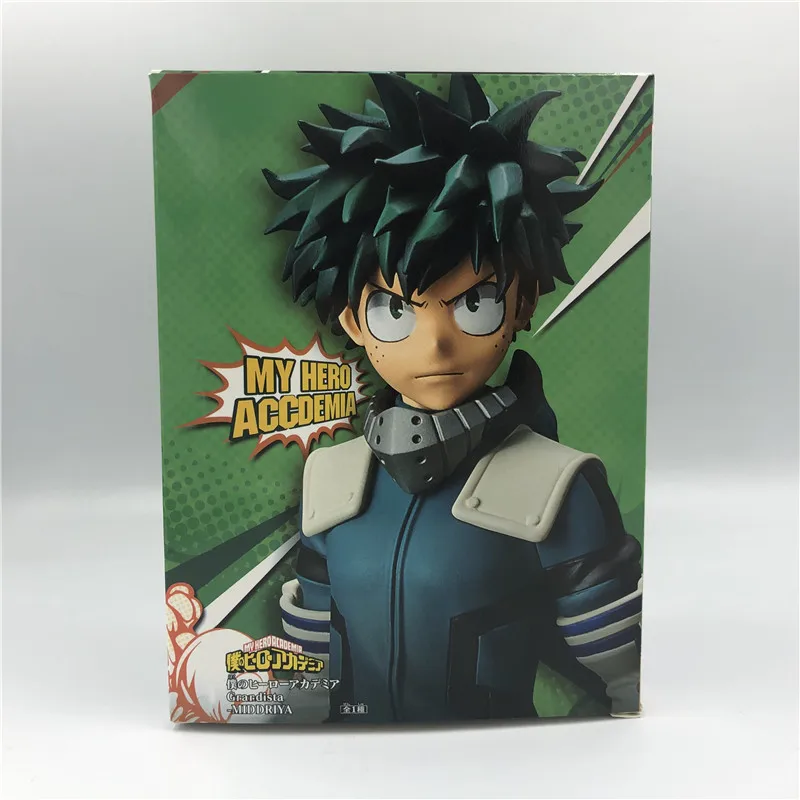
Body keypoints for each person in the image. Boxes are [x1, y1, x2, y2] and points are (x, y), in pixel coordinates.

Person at [264, 73, 642, 722]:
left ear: (522, 302)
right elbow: (307, 669)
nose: (436, 344)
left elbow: (626, 678)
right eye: (394, 311)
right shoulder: (331, 476)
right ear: (352, 321)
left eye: (475, 303)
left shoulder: (557, 485)